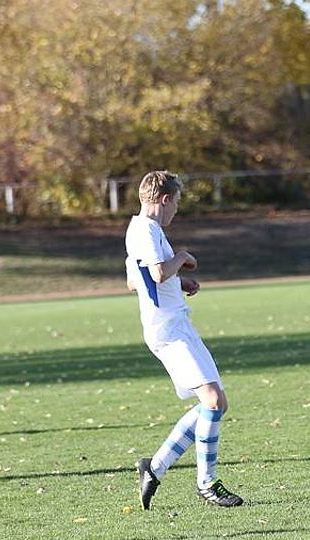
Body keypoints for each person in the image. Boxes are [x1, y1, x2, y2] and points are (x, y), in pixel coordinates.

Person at [125, 170, 243, 509]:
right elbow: (158, 272)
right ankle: (207, 483)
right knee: (211, 400)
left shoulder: (140, 229)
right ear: (165, 200)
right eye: (176, 203)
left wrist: (178, 284)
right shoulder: (147, 231)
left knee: (217, 403)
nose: (176, 210)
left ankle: (155, 467)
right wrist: (182, 258)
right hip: (168, 330)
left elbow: (135, 281)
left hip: (177, 324)